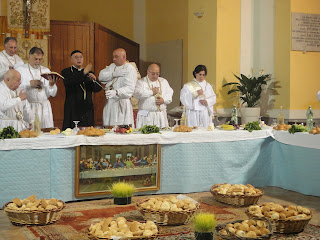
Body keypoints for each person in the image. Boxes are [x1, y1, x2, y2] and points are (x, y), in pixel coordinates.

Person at [16, 47, 58, 128]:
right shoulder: (20, 70)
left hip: (44, 107)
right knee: (31, 134)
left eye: (40, 59)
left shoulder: (46, 70)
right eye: (35, 59)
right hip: (28, 106)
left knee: (46, 133)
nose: (38, 62)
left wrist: (51, 85)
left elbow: (53, 94)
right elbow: (14, 88)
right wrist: (29, 84)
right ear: (29, 56)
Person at [61, 50, 102, 130]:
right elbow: (70, 82)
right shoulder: (66, 72)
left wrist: (95, 80)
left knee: (87, 135)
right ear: (71, 60)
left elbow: (98, 88)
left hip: (87, 109)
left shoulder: (89, 72)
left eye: (80, 57)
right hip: (73, 108)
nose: (79, 59)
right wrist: (84, 72)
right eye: (76, 57)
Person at [99, 48, 137, 127]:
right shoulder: (112, 66)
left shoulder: (129, 68)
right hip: (110, 103)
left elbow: (130, 88)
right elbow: (101, 77)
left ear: (124, 57)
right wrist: (113, 74)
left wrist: (116, 92)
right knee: (108, 128)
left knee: (121, 130)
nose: (113, 59)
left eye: (116, 57)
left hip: (122, 103)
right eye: (113, 57)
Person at [133, 63, 173, 128]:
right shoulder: (141, 82)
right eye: (153, 73)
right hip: (146, 115)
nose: (155, 76)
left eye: (157, 74)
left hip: (160, 115)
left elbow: (170, 93)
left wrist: (164, 100)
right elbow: (137, 94)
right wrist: (151, 92)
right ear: (148, 72)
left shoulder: (163, 81)